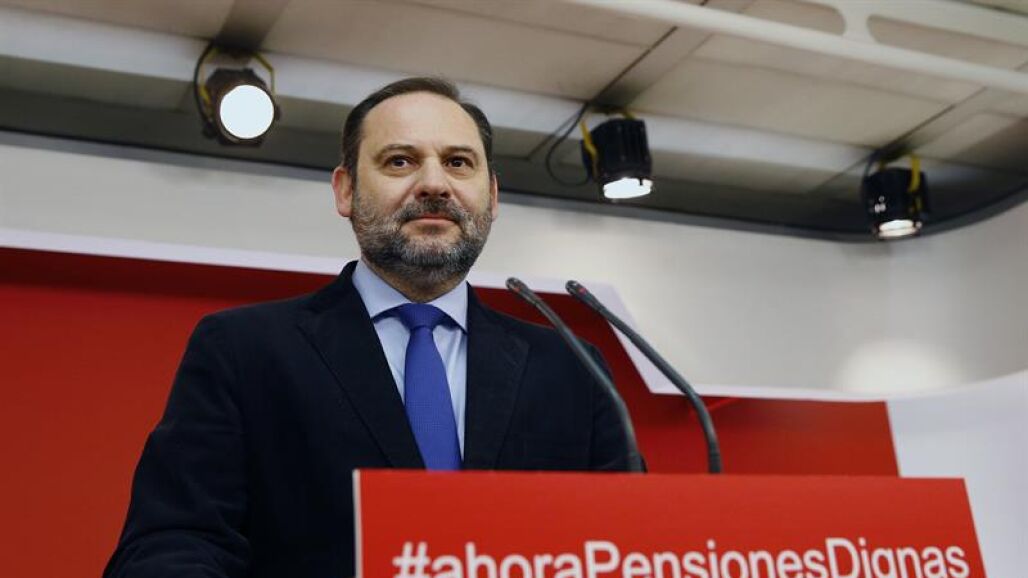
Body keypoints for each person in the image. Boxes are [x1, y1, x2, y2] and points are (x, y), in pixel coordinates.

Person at [104, 77, 638, 578]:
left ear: (492, 197)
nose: (435, 184)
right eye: (400, 161)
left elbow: (632, 544)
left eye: (458, 162)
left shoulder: (573, 368)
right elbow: (175, 542)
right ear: (345, 190)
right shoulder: (243, 350)